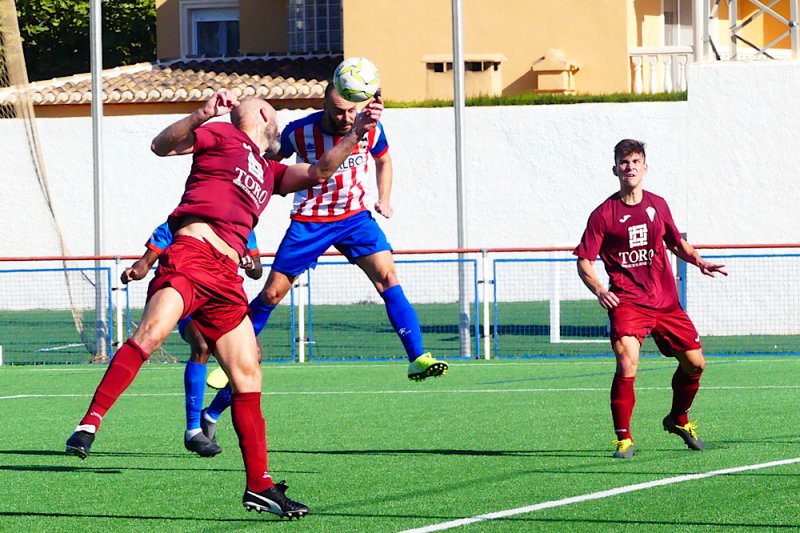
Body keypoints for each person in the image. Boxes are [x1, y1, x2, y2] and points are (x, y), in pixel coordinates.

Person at [65, 88, 384, 518]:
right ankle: (91, 421)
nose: (279, 125)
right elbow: (161, 146)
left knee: (249, 372)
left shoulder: (271, 170)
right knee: (153, 332)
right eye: (274, 116)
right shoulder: (220, 134)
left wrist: (359, 134)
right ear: (263, 115)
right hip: (192, 255)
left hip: (228, 279)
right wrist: (201, 114)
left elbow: (321, 172)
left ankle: (260, 487)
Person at [243, 83, 448, 381]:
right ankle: (233, 350)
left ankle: (416, 356)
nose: (347, 118)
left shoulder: (370, 127)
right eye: (339, 112)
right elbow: (265, 165)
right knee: (273, 293)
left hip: (354, 218)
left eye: (352, 110)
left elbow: (384, 160)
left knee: (388, 277)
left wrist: (384, 198)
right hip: (309, 220)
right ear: (324, 105)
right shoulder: (298, 132)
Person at [574, 139, 727, 459]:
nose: (629, 167)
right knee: (627, 361)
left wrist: (699, 261)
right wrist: (601, 290)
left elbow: (676, 242)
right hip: (628, 302)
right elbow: (584, 260)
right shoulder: (603, 214)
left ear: (645, 168)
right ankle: (624, 439)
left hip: (666, 302)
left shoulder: (657, 205)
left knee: (696, 364)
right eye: (624, 162)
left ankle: (678, 419)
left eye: (635, 162)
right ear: (615, 168)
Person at [120, 221, 263, 457]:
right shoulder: (179, 222)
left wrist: (250, 264)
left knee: (255, 357)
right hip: (188, 300)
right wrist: (137, 270)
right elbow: (146, 262)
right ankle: (193, 430)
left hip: (222, 302)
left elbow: (257, 271)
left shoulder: (242, 224)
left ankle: (211, 414)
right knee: (202, 345)